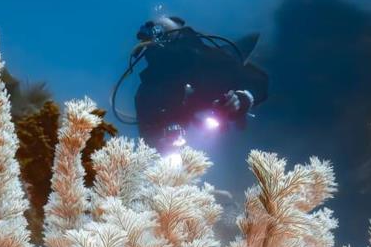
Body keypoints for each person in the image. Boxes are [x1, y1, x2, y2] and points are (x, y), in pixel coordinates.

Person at [112, 15, 269, 149]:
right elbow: (148, 138)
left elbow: (256, 80)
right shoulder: (149, 91)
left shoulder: (210, 61)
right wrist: (163, 141)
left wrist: (241, 99)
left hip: (223, 132)